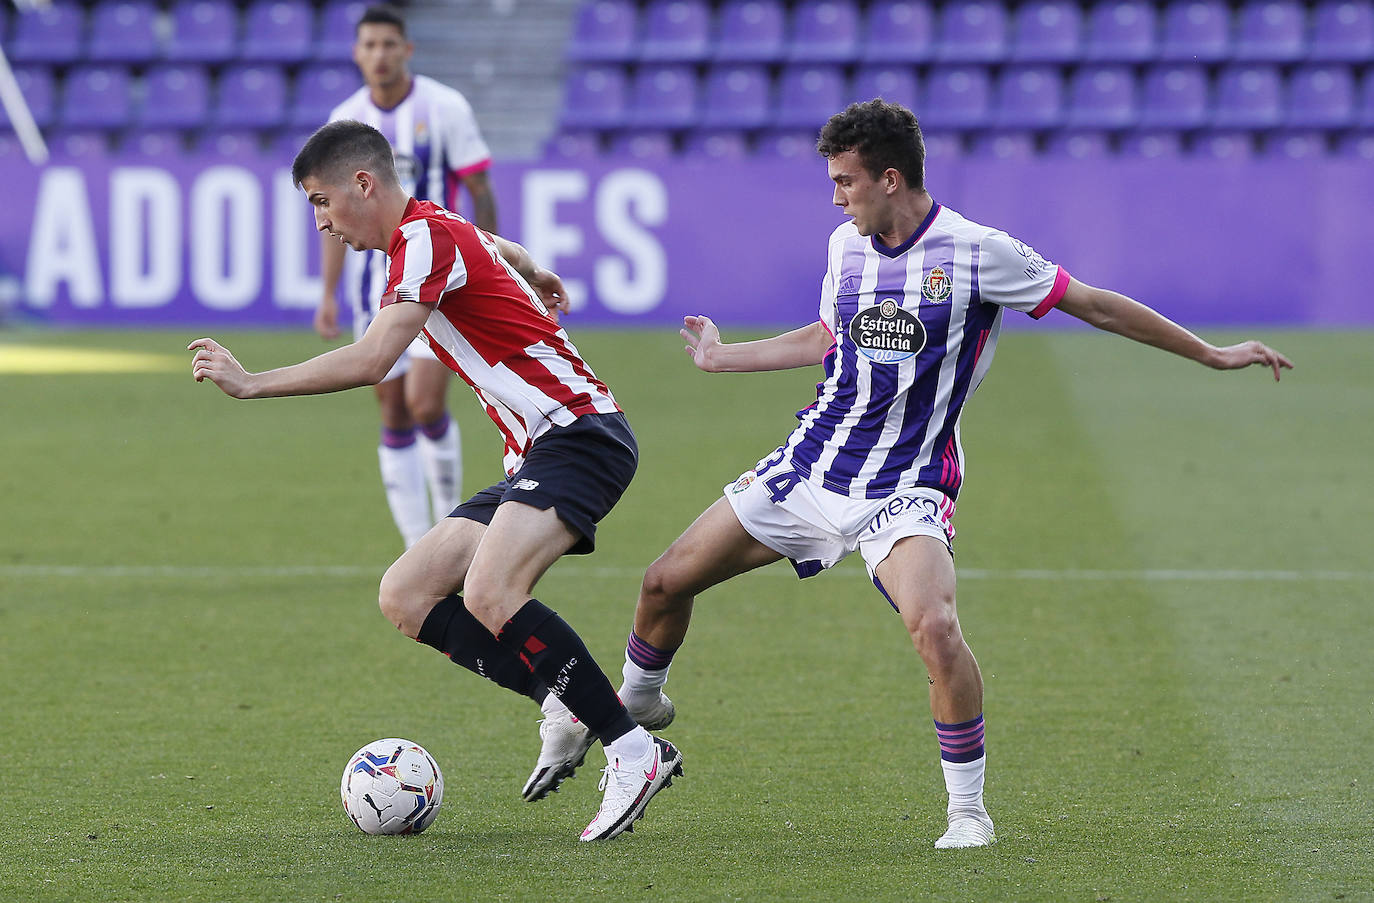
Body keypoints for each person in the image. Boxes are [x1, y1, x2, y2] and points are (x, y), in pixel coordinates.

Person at [600, 100, 1293, 850]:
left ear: (889, 178)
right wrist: (720, 357)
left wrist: (1214, 354)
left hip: (906, 485)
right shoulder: (845, 244)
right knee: (664, 581)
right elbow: (830, 335)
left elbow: (1095, 306)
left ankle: (968, 811)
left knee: (934, 625)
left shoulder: (977, 251)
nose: (836, 197)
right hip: (813, 464)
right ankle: (639, 702)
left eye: (845, 181)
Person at [190, 120, 681, 841]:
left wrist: (253, 382)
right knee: (407, 593)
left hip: (578, 433)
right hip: (537, 451)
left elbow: (370, 359)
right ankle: (567, 698)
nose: (322, 223)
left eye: (322, 202)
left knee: (489, 593)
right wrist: (531, 270)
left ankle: (633, 750)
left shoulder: (422, 241)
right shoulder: (431, 228)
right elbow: (494, 244)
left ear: (363, 184)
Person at [315, 4, 500, 548]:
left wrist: (489, 258)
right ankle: (417, 542)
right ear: (357, 53)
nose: (379, 55)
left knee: (426, 402)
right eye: (369, 45)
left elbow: (482, 192)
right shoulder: (344, 120)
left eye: (389, 44)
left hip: (441, 277)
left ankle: (451, 526)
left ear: (407, 50)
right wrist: (327, 292)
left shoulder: (445, 107)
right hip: (373, 283)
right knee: (392, 407)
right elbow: (328, 214)